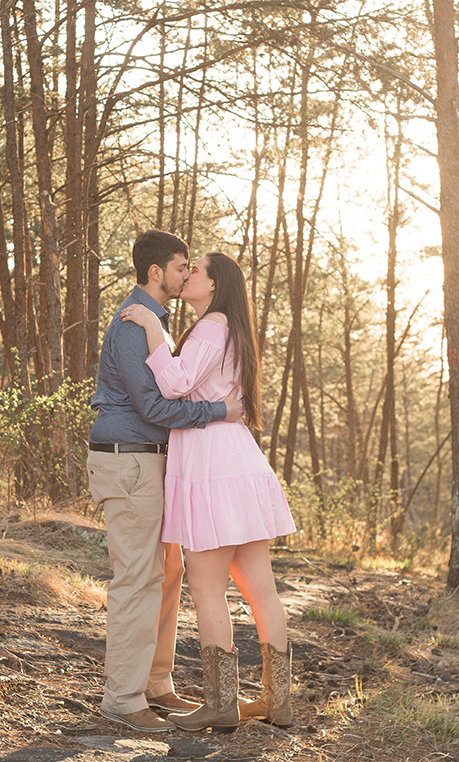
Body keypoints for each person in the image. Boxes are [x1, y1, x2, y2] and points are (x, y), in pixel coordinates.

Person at [121, 251, 296, 733]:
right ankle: (276, 701)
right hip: (239, 461)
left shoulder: (210, 326)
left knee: (207, 590)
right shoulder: (232, 328)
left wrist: (152, 330)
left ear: (215, 284)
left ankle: (221, 704)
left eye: (195, 268)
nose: (187, 274)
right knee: (262, 591)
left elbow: (175, 384)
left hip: (211, 466)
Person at [87, 231, 243, 733]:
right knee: (136, 579)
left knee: (168, 570)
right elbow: (154, 406)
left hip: (151, 461)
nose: (186, 274)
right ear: (156, 272)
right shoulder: (134, 323)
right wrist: (221, 410)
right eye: (181, 266)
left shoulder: (160, 323)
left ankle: (156, 683)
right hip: (128, 459)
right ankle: (122, 698)